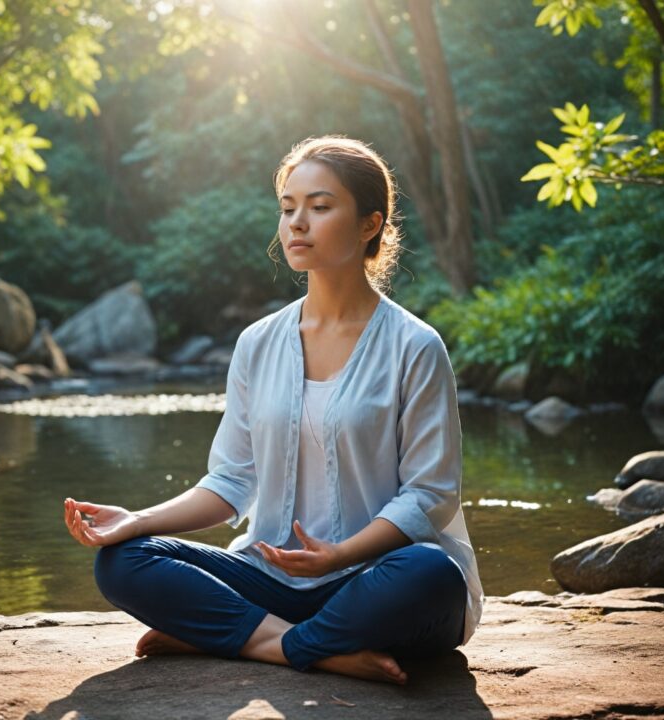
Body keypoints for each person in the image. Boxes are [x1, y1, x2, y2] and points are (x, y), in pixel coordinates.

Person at [63, 135, 483, 685]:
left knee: (432, 572)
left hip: (375, 580)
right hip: (271, 578)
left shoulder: (415, 347)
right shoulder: (258, 343)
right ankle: (309, 647)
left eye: (320, 206)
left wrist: (338, 556)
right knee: (124, 560)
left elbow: (430, 496)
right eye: (288, 208)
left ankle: (239, 637)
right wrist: (136, 519)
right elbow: (231, 482)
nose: (296, 224)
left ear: (369, 224)